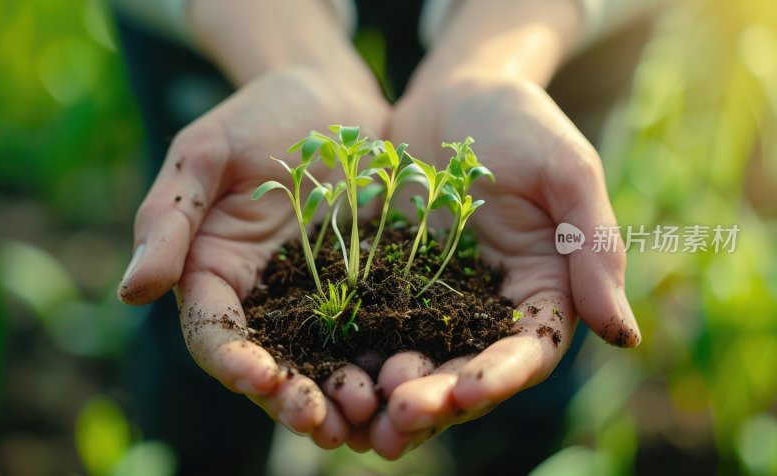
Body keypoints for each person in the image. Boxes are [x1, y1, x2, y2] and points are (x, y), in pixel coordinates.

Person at [113, 0, 647, 472]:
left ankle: (514, 454)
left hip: (554, 24)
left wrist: (490, 63)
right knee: (205, 311)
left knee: (534, 285)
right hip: (228, 19)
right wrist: (300, 59)